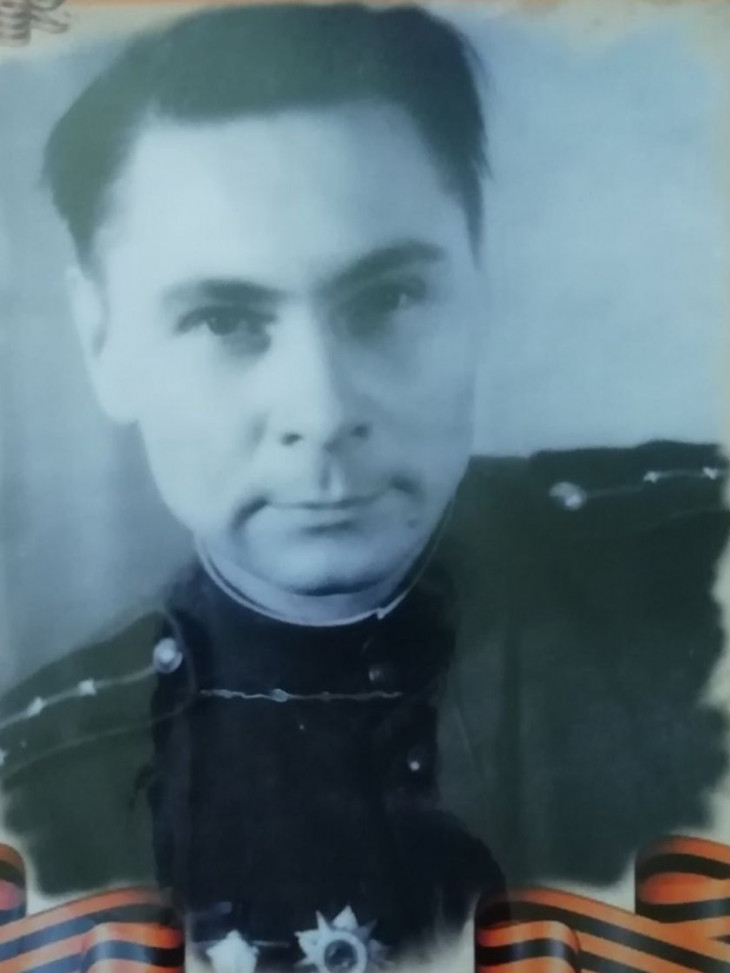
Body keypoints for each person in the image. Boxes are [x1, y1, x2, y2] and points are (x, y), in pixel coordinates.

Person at [0, 5, 727, 972]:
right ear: (105, 344)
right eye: (222, 320)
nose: (323, 408)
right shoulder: (36, 795)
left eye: (386, 298)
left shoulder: (701, 567)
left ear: (477, 286)